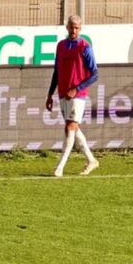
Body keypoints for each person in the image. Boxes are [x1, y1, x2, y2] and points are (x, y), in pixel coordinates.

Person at [45, 14, 99, 178]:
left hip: (77, 95)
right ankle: (91, 160)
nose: (74, 30)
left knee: (70, 127)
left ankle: (60, 167)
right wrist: (50, 94)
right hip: (63, 93)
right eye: (71, 27)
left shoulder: (85, 46)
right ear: (67, 27)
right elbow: (57, 71)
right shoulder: (61, 46)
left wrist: (77, 88)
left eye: (77, 27)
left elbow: (95, 74)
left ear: (80, 29)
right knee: (73, 128)